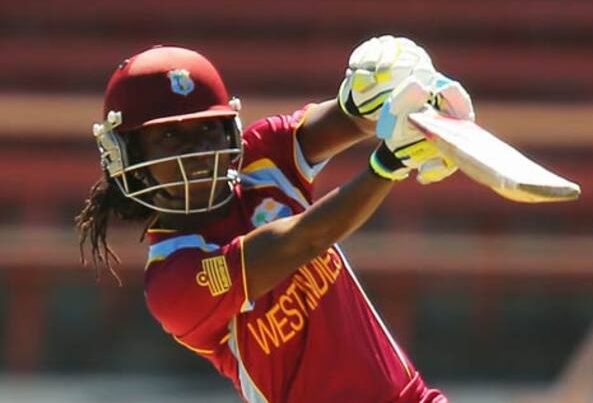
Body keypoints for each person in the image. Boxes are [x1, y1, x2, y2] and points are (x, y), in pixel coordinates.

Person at [75, 36, 474, 402]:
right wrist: (389, 163)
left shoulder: (260, 156)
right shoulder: (173, 280)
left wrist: (388, 92)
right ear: (128, 157)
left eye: (207, 130)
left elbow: (347, 118)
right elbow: (301, 241)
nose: (195, 151)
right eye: (169, 137)